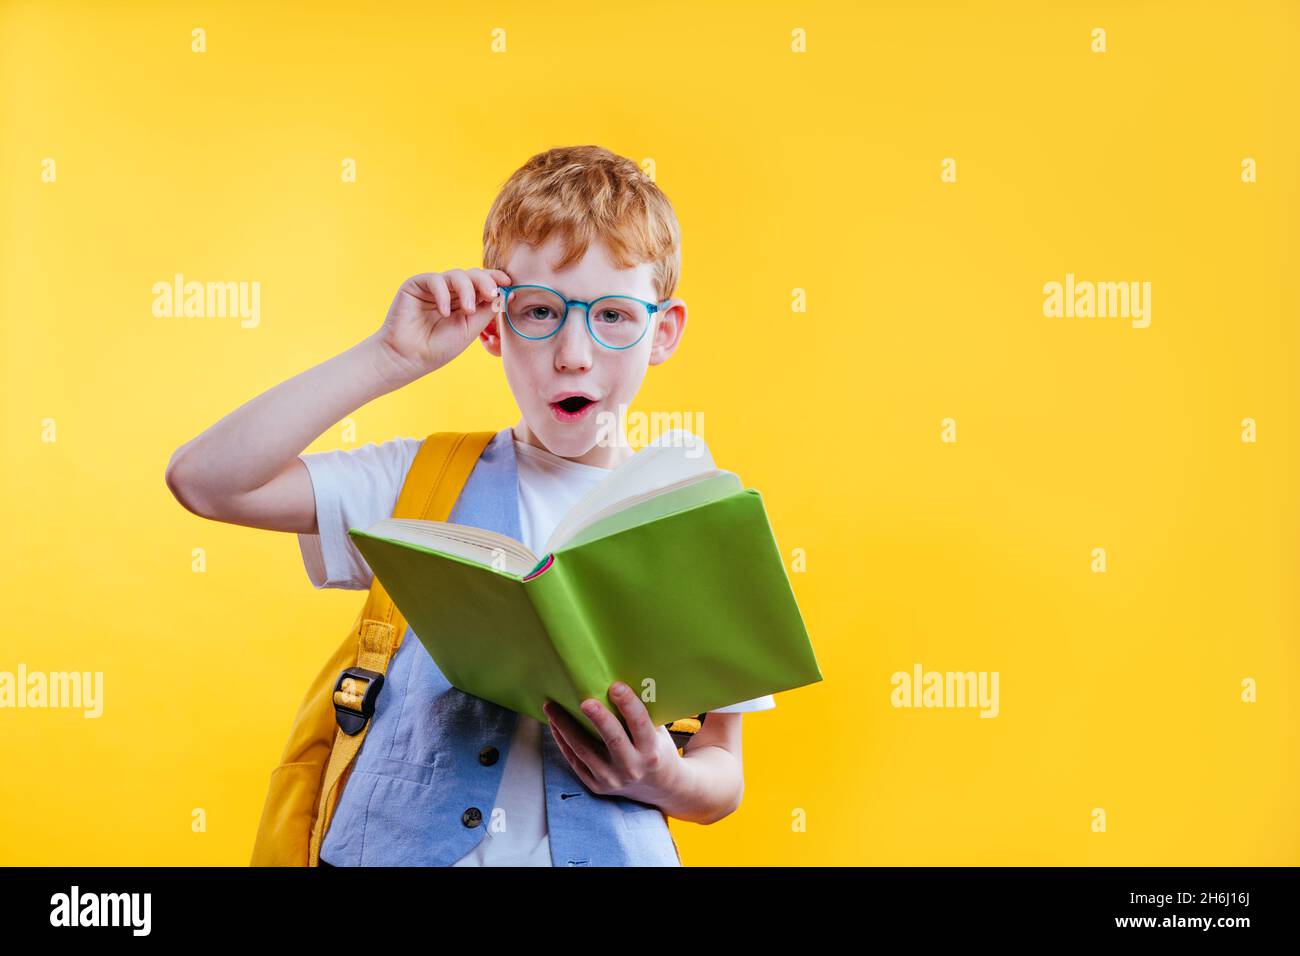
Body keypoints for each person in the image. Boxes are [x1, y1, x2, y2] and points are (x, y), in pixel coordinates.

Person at [165, 144, 774, 866]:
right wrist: (390, 357)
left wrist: (663, 776)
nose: (574, 353)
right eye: (540, 311)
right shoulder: (420, 479)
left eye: (613, 316)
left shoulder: (695, 517)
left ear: (663, 331)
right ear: (493, 324)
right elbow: (206, 481)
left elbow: (721, 773)